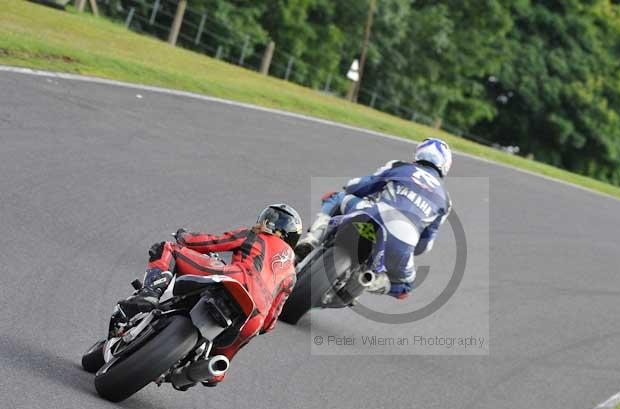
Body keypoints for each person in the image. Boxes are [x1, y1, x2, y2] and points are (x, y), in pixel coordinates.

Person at [117, 203, 302, 385]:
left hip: (234, 279)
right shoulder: (291, 275)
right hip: (254, 317)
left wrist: (183, 236)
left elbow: (209, 242)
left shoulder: (254, 235)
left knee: (168, 248)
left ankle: (150, 292)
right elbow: (269, 323)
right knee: (221, 361)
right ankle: (212, 369)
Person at [294, 137, 452, 299]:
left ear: (418, 154)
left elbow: (360, 186)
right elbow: (424, 246)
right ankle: (369, 281)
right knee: (405, 287)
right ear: (445, 166)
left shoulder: (400, 166)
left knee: (337, 197)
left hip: (373, 217)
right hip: (403, 244)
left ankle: (312, 240)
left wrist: (350, 187)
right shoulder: (446, 201)